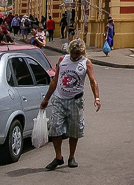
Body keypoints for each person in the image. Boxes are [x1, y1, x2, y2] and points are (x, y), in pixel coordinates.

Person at [40, 38, 101, 170]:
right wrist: (46, 98)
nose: (74, 56)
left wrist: (97, 98)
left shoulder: (86, 63)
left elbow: (93, 81)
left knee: (74, 130)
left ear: (82, 53)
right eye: (72, 53)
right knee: (55, 128)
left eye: (77, 54)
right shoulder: (63, 60)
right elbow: (55, 80)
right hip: (59, 100)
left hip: (76, 101)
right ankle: (58, 157)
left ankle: (71, 157)